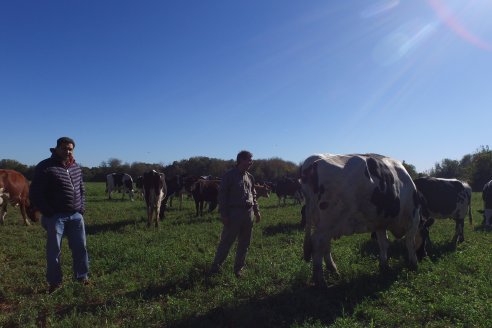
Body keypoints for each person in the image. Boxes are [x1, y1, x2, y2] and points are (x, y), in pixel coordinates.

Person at [30, 137, 89, 293]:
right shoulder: (45, 166)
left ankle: (82, 277)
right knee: (54, 251)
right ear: (56, 148)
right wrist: (48, 212)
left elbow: (81, 189)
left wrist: (81, 208)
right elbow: (35, 192)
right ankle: (55, 282)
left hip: (76, 216)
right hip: (56, 217)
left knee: (80, 248)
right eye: (64, 148)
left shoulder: (75, 167)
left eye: (70, 149)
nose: (67, 151)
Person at [210, 150, 261, 277]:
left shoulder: (250, 177)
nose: (251, 162)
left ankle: (239, 269)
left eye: (251, 160)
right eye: (248, 160)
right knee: (226, 242)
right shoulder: (229, 176)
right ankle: (215, 268)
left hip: (248, 214)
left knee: (244, 243)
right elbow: (222, 196)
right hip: (234, 213)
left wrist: (256, 211)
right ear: (241, 160)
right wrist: (224, 214)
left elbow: (253, 195)